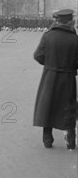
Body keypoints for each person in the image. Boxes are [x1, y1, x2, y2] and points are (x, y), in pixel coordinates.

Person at [33, 9, 78, 149]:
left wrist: (50, 64)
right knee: (69, 108)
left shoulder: (48, 36)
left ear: (57, 21)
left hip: (50, 77)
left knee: (48, 106)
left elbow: (38, 55)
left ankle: (47, 139)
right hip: (68, 78)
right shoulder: (75, 39)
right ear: (71, 21)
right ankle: (71, 141)